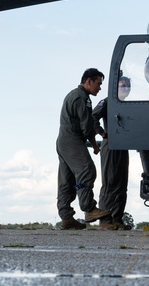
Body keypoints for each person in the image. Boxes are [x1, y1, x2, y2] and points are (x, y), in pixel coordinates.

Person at [56, 68, 110, 229]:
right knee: (87, 170)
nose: (100, 88)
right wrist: (94, 145)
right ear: (89, 81)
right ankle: (89, 208)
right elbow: (86, 125)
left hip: (62, 141)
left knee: (67, 179)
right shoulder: (82, 98)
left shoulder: (72, 94)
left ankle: (66, 217)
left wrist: (101, 132)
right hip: (72, 139)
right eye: (98, 84)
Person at [92, 76, 132, 230]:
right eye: (122, 85)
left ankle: (117, 218)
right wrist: (102, 134)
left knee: (122, 183)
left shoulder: (127, 105)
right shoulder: (108, 101)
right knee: (110, 183)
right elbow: (93, 117)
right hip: (111, 145)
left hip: (123, 146)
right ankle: (105, 220)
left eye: (128, 85)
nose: (126, 88)